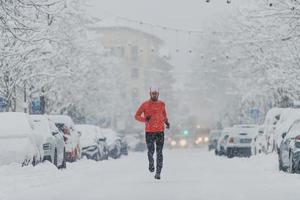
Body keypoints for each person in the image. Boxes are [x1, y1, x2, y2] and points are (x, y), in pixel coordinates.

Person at [135, 86, 170, 180]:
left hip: (160, 131)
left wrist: (166, 122)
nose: (154, 95)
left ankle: (158, 172)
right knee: (151, 151)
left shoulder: (162, 104)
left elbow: (163, 115)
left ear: (158, 94)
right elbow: (136, 116)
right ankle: (151, 163)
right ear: (150, 94)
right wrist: (144, 119)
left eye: (156, 93)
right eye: (153, 93)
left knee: (159, 152)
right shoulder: (145, 104)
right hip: (149, 132)